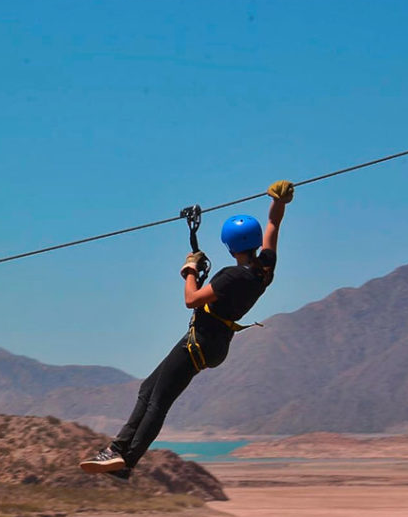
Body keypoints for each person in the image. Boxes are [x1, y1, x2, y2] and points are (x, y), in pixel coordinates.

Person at [79, 179, 294, 478]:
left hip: (202, 341)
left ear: (230, 246)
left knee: (159, 399)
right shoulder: (264, 268)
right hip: (214, 343)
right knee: (149, 389)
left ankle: (123, 457)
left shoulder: (232, 276)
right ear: (254, 242)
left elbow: (191, 300)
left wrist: (189, 270)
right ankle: (119, 454)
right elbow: (273, 223)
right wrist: (279, 201)